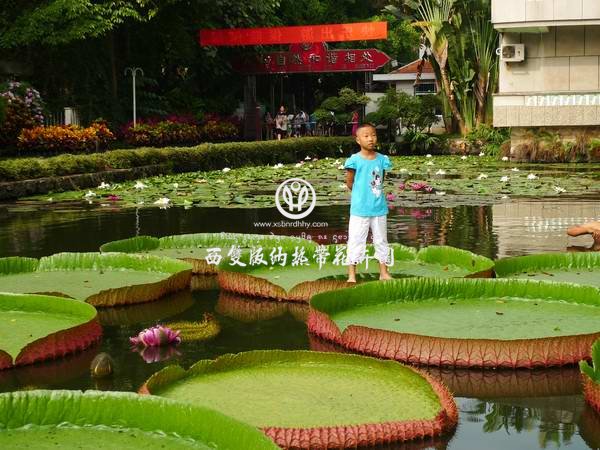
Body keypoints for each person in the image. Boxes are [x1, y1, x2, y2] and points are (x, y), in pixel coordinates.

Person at [344, 123, 393, 283]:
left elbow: (380, 180)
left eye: (373, 135)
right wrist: (361, 196)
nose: (371, 139)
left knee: (381, 240)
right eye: (366, 136)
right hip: (359, 209)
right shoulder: (354, 160)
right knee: (356, 240)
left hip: (379, 208)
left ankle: (384, 272)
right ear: (358, 140)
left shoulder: (382, 159)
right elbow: (349, 182)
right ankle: (352, 274)